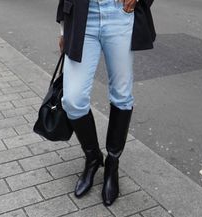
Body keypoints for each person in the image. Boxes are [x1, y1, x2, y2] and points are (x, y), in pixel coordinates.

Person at [56, 0, 155, 206]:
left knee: (122, 95)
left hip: (120, 14)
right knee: (73, 100)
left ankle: (112, 162)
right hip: (84, 17)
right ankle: (93, 158)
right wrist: (64, 29)